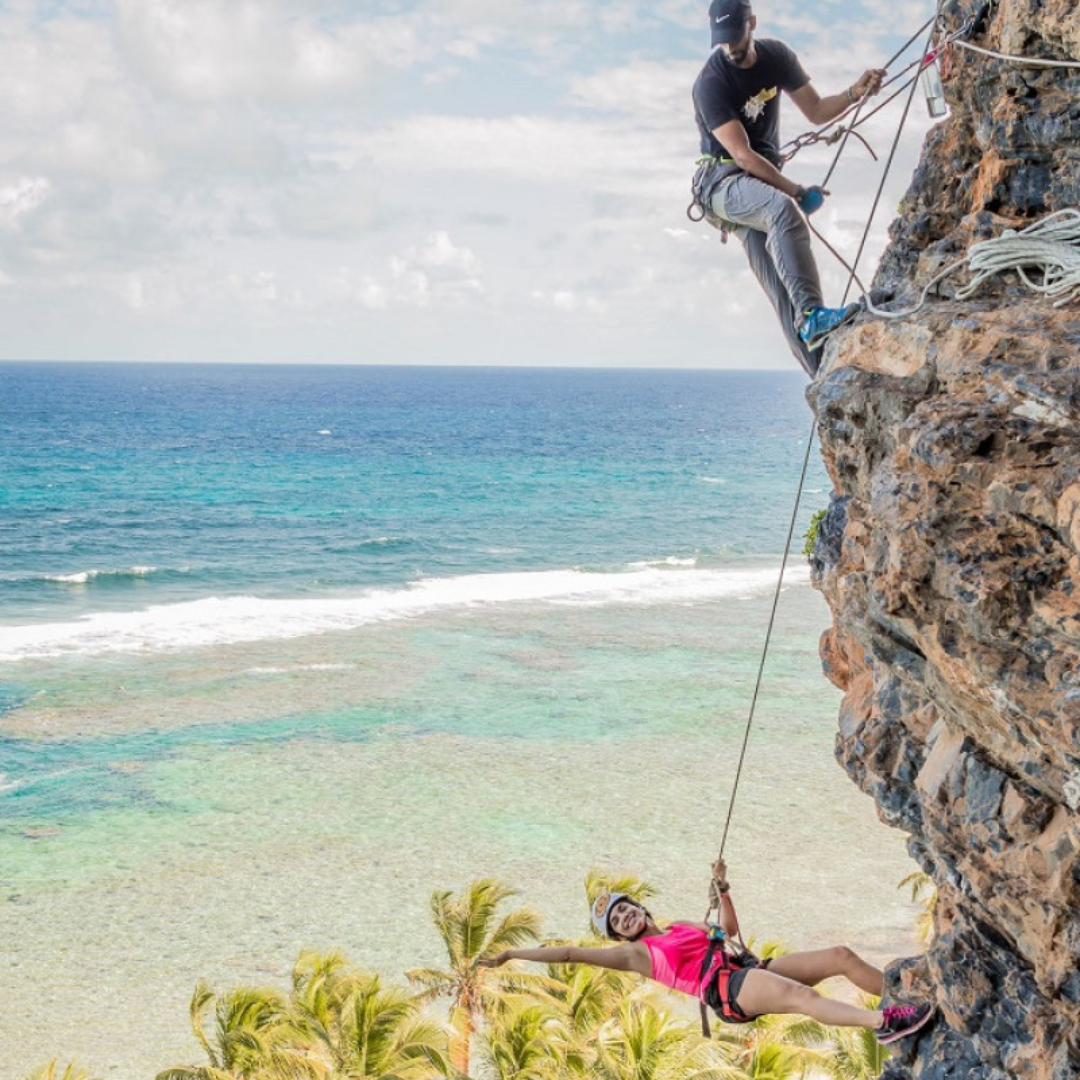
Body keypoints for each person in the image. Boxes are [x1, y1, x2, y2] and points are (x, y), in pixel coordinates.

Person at [479, 862, 934, 1044]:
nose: (626, 919)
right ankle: (884, 1024)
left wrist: (724, 889)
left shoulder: (680, 925)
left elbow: (730, 930)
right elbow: (570, 954)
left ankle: (896, 1001)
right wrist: (513, 954)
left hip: (747, 968)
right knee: (804, 998)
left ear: (639, 907)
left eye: (627, 911)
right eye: (618, 924)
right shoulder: (639, 956)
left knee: (840, 956)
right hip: (729, 991)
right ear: (620, 939)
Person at [692, 0, 887, 375]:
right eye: (722, 41)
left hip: (754, 183)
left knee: (784, 294)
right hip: (722, 183)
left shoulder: (777, 56)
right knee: (781, 211)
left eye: (735, 37)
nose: (730, 47)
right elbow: (743, 157)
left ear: (751, 23)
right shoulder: (711, 83)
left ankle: (821, 375)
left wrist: (856, 92)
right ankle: (814, 315)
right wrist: (796, 192)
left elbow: (815, 111)